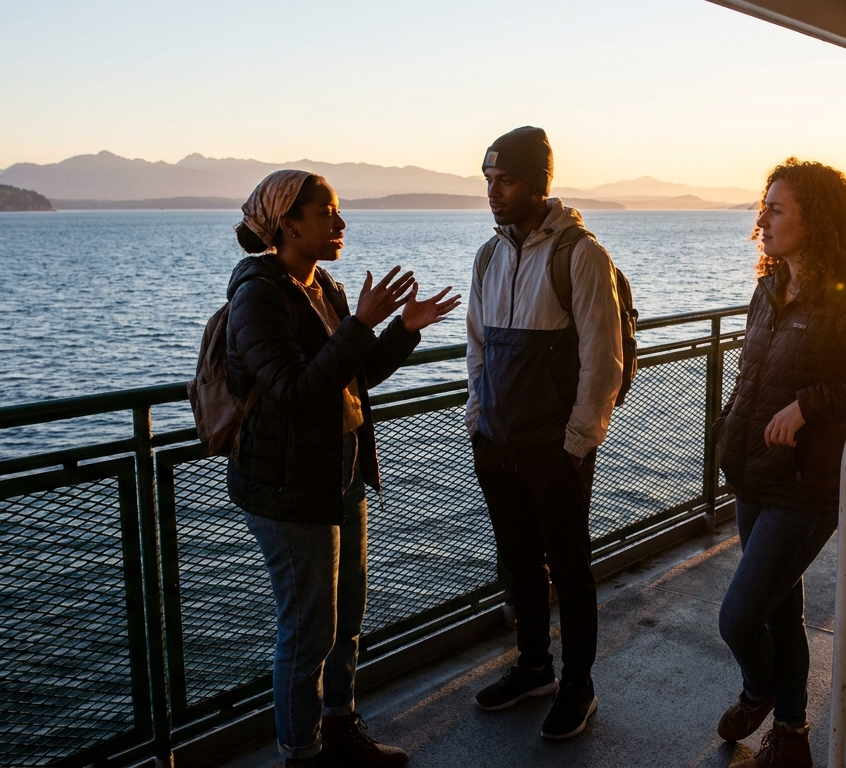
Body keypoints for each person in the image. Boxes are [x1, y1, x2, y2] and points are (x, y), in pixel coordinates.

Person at [226, 170, 460, 767]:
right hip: (287, 485)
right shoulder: (258, 295)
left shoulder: (320, 284)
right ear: (288, 224)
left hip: (340, 471)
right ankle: (302, 754)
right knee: (308, 628)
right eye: (326, 211)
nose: (340, 222)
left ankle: (339, 729)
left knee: (346, 615)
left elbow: (352, 375)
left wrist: (401, 329)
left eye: (338, 210)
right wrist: (360, 324)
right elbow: (295, 392)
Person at [715, 159, 846, 768]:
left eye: (778, 209)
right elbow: (753, 376)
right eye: (764, 206)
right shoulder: (770, 287)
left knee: (739, 618)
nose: (764, 219)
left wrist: (809, 405)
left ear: (819, 221)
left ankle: (757, 693)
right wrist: (730, 429)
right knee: (782, 611)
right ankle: (794, 735)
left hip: (804, 488)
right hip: (755, 475)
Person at [465, 127, 623, 740]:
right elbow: (477, 347)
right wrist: (478, 419)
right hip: (498, 443)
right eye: (488, 181)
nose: (493, 193)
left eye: (504, 180)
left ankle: (578, 685)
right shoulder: (489, 254)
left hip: (555, 449)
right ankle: (535, 668)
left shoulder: (579, 254)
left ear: (538, 183)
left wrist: (577, 442)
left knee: (570, 566)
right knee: (519, 564)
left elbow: (602, 359)